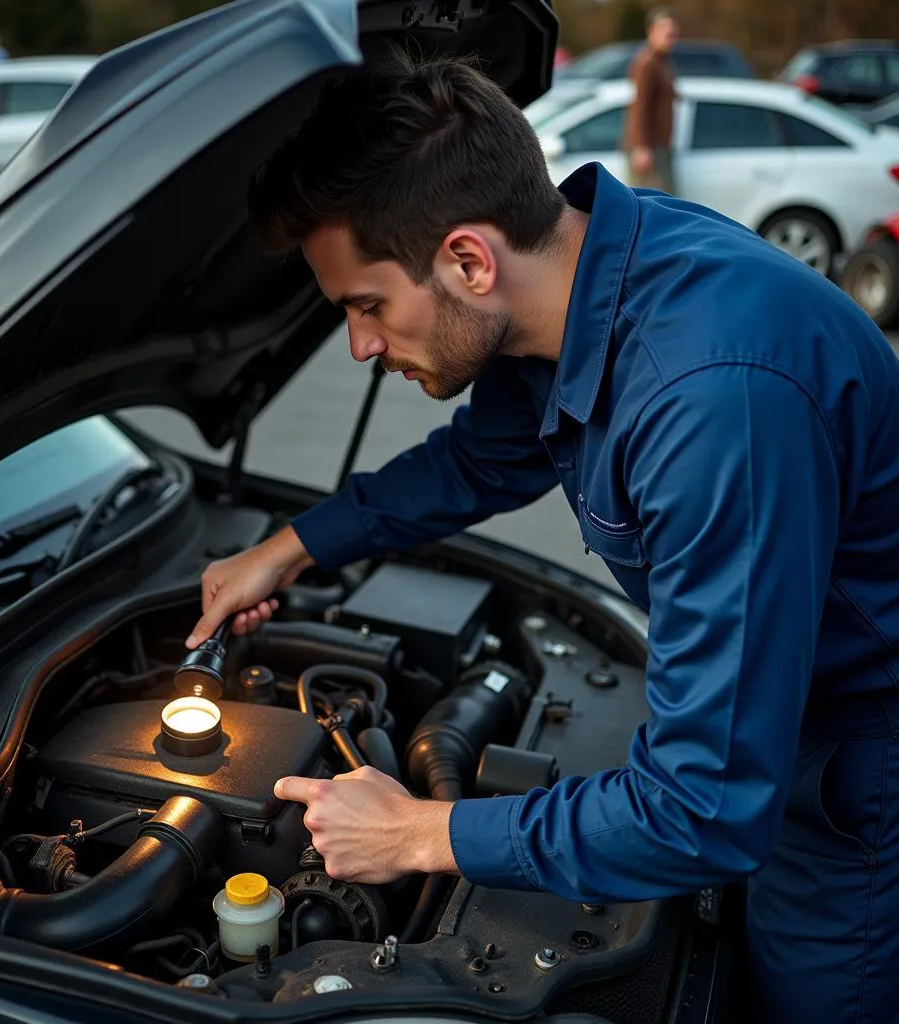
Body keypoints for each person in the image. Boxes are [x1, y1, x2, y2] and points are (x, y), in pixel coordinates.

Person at [185, 50, 899, 1024]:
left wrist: (422, 834)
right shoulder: (585, 274)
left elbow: (702, 806)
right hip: (777, 702)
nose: (358, 344)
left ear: (469, 259)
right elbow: (479, 460)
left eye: (366, 306)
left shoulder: (711, 402)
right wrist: (291, 546)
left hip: (857, 760)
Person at [622, 6, 679, 193]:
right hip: (649, 148)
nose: (670, 35)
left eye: (673, 32)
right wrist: (641, 147)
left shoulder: (663, 61)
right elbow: (640, 105)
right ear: (651, 31)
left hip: (659, 145)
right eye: (664, 30)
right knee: (651, 205)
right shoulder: (647, 62)